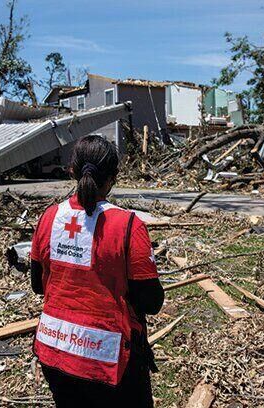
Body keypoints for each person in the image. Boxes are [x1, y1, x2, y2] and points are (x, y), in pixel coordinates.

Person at [29, 135, 164, 408]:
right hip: (109, 359)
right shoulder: (128, 225)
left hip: (54, 349)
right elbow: (151, 302)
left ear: (71, 171)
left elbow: (38, 285)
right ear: (114, 177)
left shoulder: (49, 217)